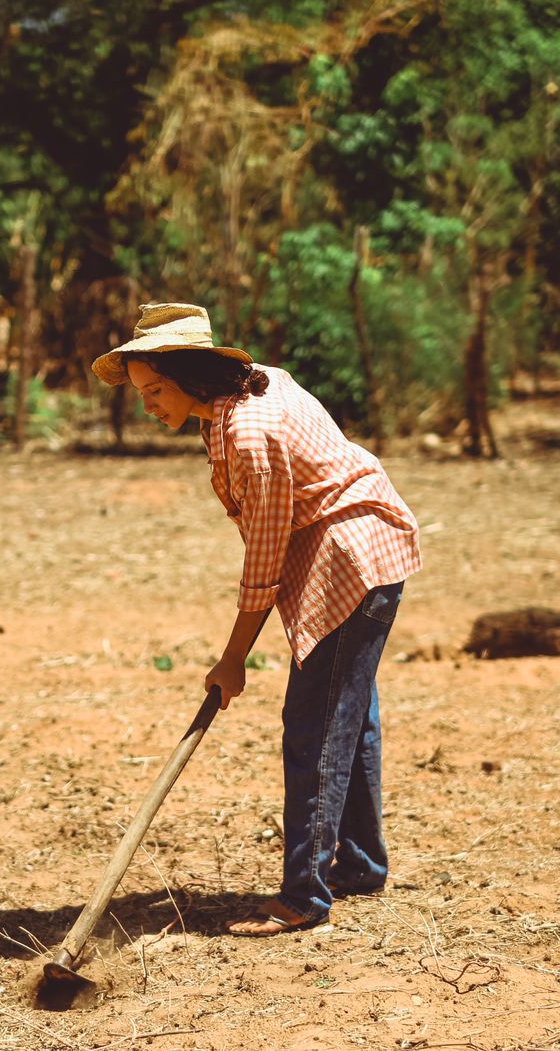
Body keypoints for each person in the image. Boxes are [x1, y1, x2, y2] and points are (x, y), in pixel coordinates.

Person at [92, 302, 422, 937]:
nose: (148, 406)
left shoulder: (251, 433)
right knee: (349, 717)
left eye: (156, 390)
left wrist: (232, 657)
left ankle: (304, 896)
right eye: (142, 393)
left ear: (190, 374)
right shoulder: (246, 391)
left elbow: (263, 563)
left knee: (315, 730)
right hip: (361, 548)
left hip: (350, 560)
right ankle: (357, 863)